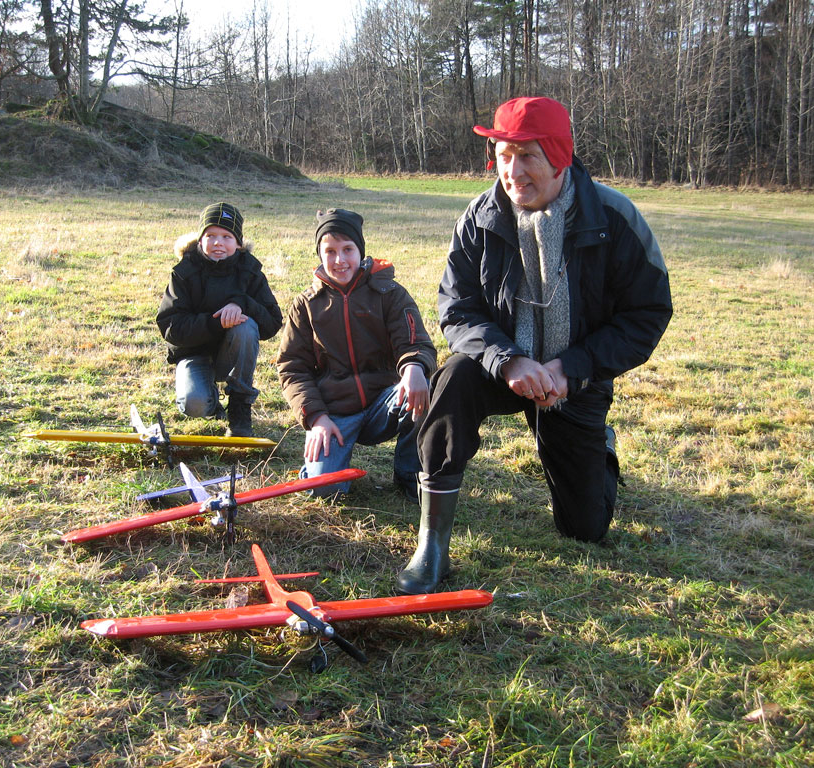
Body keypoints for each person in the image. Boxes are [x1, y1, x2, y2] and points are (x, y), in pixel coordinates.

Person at [397, 96, 673, 594]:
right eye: (503, 155)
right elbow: (456, 308)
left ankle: (598, 450)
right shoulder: (479, 217)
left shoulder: (615, 218)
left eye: (528, 156)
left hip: (576, 377)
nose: (512, 171)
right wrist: (508, 361)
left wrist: (574, 368)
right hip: (503, 365)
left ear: (560, 155)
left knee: (584, 530)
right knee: (454, 378)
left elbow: (647, 313)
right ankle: (432, 543)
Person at [277, 208, 437, 499]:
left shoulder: (389, 293)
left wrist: (414, 367)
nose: (339, 260)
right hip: (334, 412)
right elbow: (292, 368)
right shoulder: (305, 305)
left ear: (360, 251)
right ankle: (316, 470)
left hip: (384, 402)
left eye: (348, 249)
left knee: (426, 387)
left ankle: (409, 473)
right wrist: (316, 418)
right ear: (319, 254)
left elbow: (415, 342)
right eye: (330, 251)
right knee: (327, 490)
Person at [156, 202, 282, 437]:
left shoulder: (250, 271)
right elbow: (171, 327)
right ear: (200, 239)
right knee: (193, 404)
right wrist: (216, 322)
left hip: (232, 354)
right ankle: (212, 402)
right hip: (193, 353)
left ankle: (239, 405)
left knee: (246, 327)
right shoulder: (184, 272)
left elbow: (272, 323)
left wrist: (242, 303)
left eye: (227, 236)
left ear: (238, 242)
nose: (218, 243)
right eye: (210, 235)